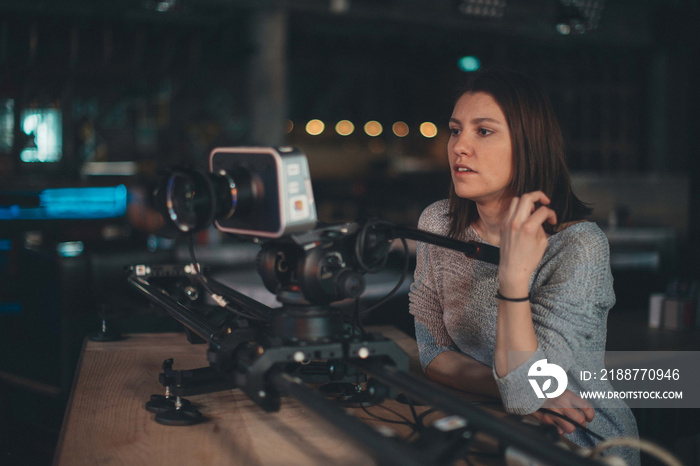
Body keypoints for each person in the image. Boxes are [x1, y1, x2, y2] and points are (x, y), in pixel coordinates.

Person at [408, 68, 640, 465]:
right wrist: (507, 389)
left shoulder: (578, 246)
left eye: (483, 131)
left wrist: (513, 278)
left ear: (528, 145)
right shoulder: (438, 223)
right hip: (492, 419)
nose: (459, 147)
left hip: (581, 440)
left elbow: (526, 392)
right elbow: (432, 353)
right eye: (454, 129)